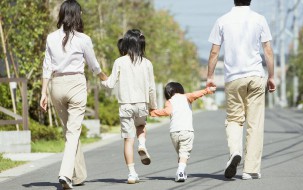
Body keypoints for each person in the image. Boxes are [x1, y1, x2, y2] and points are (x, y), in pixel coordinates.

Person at [39, 0, 107, 189]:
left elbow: (47, 67)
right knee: (73, 131)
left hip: (56, 85)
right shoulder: (83, 39)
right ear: (77, 15)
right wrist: (104, 77)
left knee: (70, 131)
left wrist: (43, 93)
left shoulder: (51, 37)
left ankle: (79, 175)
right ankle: (65, 174)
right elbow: (94, 66)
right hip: (76, 84)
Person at [207, 0, 276, 180]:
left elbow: (214, 52)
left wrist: (210, 77)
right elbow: (267, 50)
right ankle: (250, 169)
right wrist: (271, 76)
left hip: (233, 79)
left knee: (234, 119)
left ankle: (235, 151)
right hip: (255, 76)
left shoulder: (222, 20)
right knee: (255, 122)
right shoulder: (260, 19)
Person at [101, 29, 157, 184]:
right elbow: (151, 87)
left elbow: (110, 83)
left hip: (125, 105)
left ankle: (132, 174)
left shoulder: (119, 61)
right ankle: (143, 144)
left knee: (127, 140)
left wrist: (101, 78)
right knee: (141, 126)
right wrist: (153, 106)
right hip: (141, 104)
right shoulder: (147, 63)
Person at [149, 82, 215, 182]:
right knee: (184, 154)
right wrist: (207, 90)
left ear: (168, 92)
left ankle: (182, 172)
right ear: (180, 90)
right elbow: (195, 94)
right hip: (187, 131)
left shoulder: (169, 101)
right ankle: (180, 172)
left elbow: (167, 112)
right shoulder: (186, 97)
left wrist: (154, 112)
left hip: (174, 133)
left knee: (181, 154)